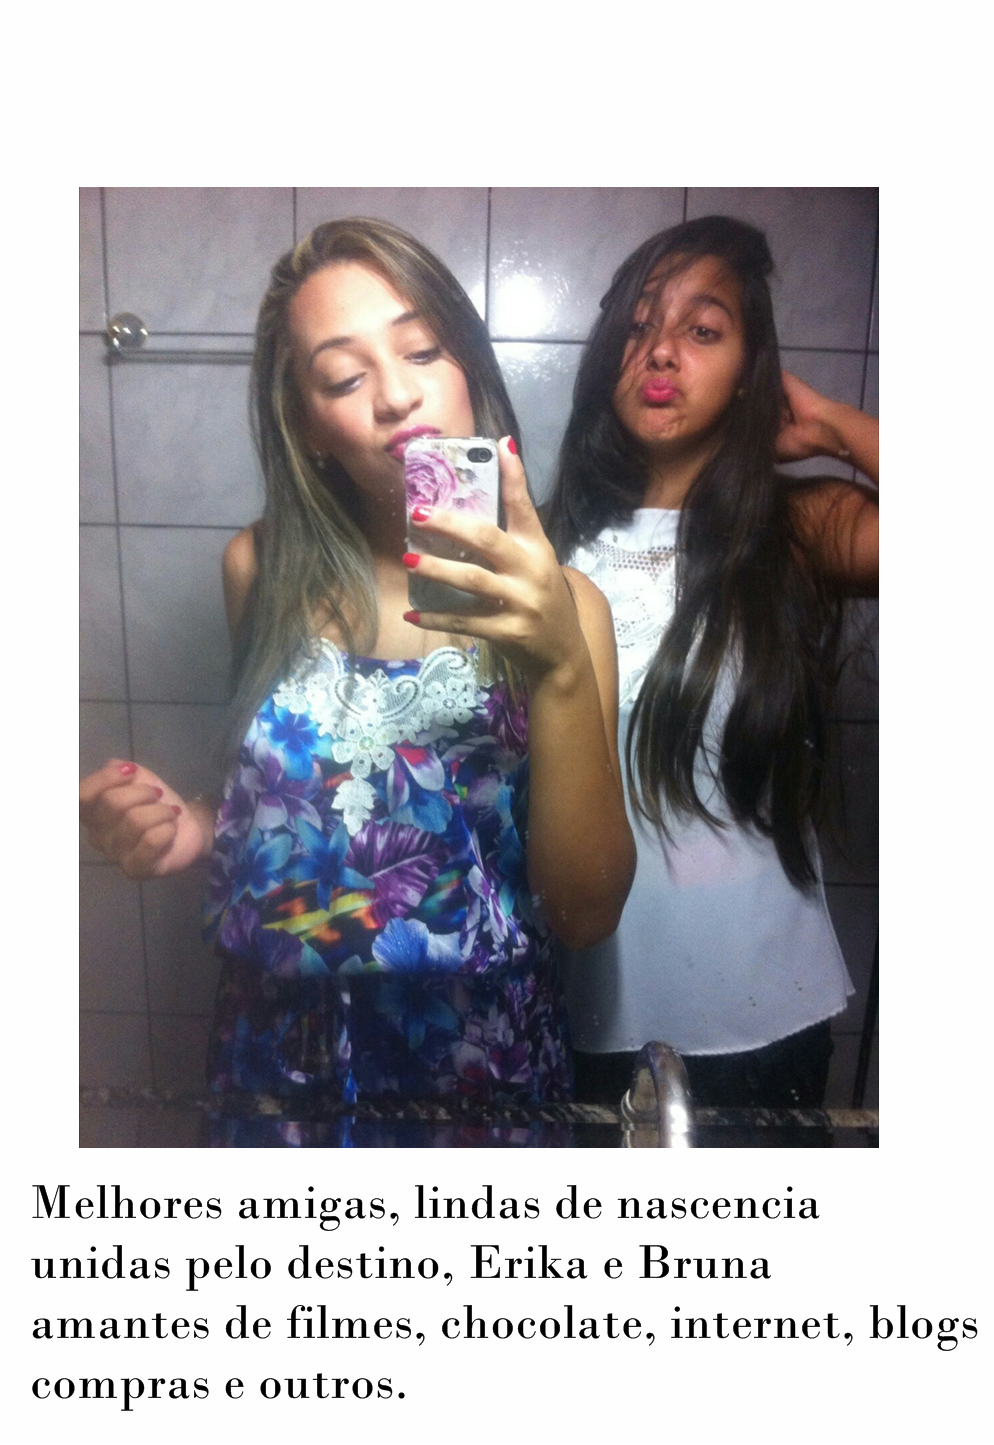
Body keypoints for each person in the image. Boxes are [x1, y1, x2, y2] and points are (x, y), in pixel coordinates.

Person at [79, 218, 635, 1125]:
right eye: (343, 376)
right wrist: (195, 826)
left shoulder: (572, 604)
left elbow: (585, 914)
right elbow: (283, 794)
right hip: (277, 1059)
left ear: (469, 367)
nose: (397, 396)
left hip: (477, 1063)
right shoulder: (258, 569)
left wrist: (561, 662)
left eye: (423, 350)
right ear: (308, 424)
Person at [545, 214, 878, 1109]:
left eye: (702, 330)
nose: (661, 352)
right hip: (584, 1005)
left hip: (767, 1011)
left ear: (748, 372)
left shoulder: (796, 527)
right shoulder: (548, 543)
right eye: (640, 326)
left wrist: (833, 426)